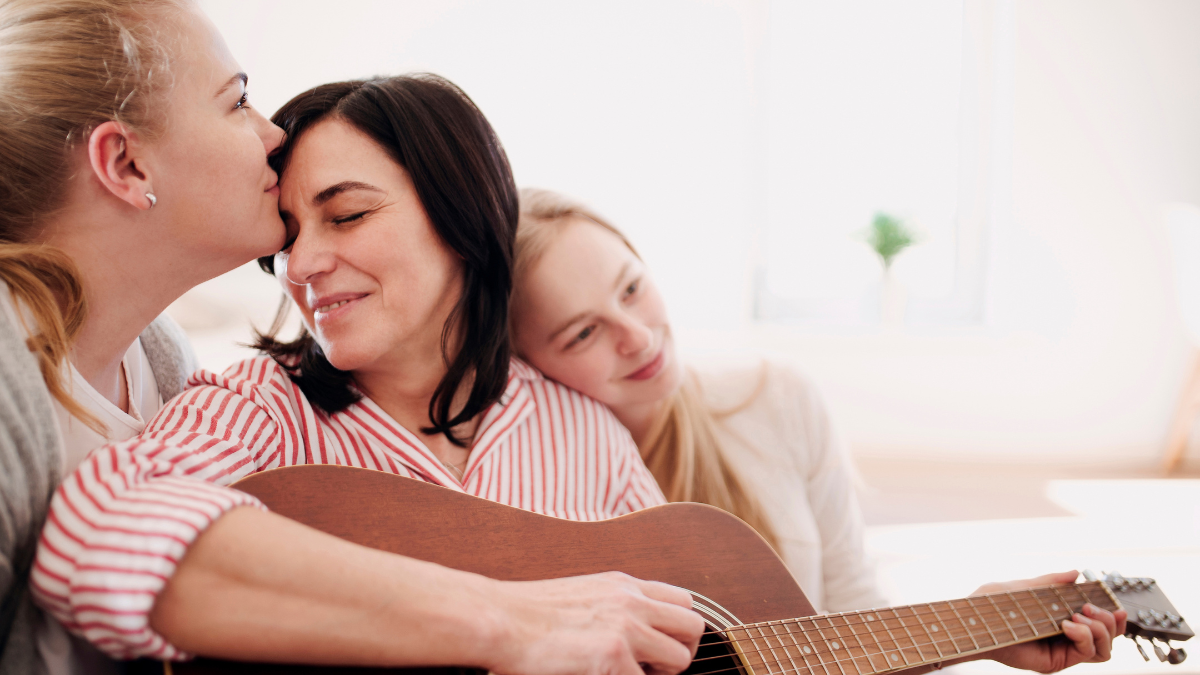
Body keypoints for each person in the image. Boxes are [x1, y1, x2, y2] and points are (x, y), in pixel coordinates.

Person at [0, 2, 701, 673]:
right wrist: (515, 620)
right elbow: (99, 521)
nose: (299, 264)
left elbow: (694, 621)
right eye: (292, 235)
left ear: (462, 210)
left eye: (349, 214)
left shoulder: (583, 431)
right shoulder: (255, 410)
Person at [508, 188, 1127, 673]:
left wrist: (976, 634)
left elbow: (854, 607)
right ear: (522, 367)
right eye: (583, 332)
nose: (637, 335)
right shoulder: (529, 488)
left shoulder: (777, 396)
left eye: (633, 288)